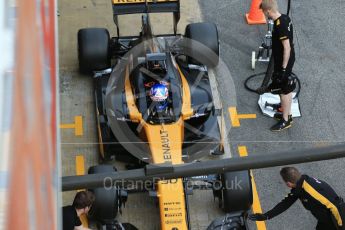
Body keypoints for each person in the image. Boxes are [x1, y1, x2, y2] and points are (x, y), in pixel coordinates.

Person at [248, 167, 345, 230]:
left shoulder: (310, 190)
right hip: (324, 220)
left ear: (288, 183)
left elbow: (335, 207)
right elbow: (285, 203)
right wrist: (266, 216)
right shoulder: (300, 187)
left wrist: (340, 227)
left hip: (337, 220)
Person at [260, 0, 297, 131]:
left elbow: (286, 48)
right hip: (283, 60)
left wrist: (283, 69)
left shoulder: (280, 25)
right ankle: (288, 114)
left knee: (284, 90)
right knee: (283, 87)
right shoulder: (284, 18)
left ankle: (286, 120)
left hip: (284, 61)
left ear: (268, 11)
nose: (265, 15)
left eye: (264, 13)